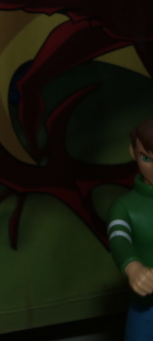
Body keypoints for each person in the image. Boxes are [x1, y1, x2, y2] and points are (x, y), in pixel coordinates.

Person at [108, 119, 153, 341]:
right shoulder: (124, 207)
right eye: (147, 158)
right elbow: (119, 240)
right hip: (146, 304)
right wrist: (134, 267)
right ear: (133, 153)